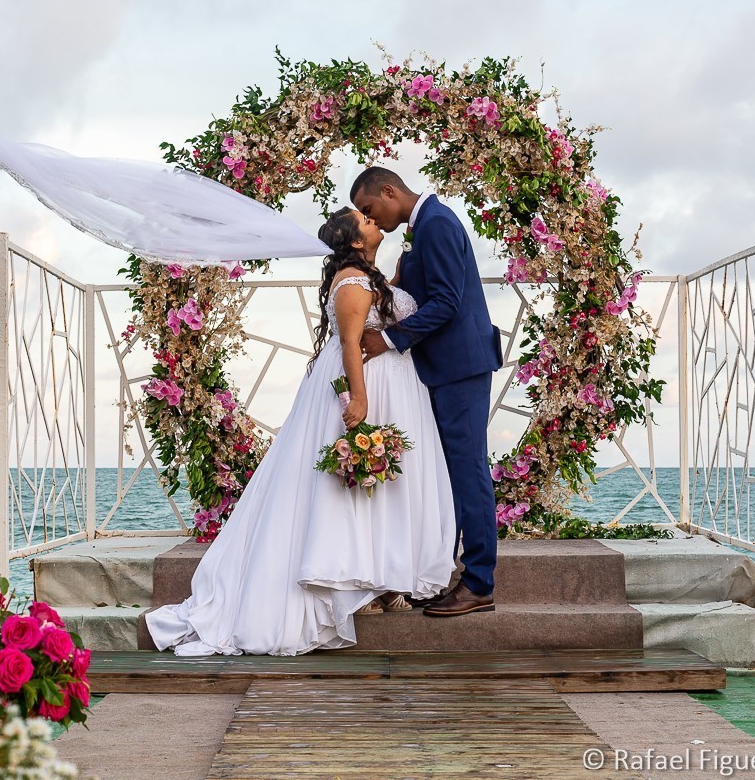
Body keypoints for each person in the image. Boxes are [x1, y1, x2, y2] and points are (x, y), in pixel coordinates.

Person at [146, 208, 456, 655]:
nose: (374, 221)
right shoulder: (352, 281)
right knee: (354, 484)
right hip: (366, 386)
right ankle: (356, 583)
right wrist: (359, 399)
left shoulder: (369, 277)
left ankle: (386, 577)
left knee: (386, 484)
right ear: (354, 241)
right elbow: (350, 342)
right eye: (365, 219)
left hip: (398, 388)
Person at [353, 167, 502, 617]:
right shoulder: (424, 227)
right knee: (449, 474)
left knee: (468, 472)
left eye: (368, 208)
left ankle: (478, 583)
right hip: (446, 368)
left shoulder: (436, 223)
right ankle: (447, 573)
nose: (370, 219)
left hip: (460, 366)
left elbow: (447, 303)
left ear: (389, 190)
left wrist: (388, 339)